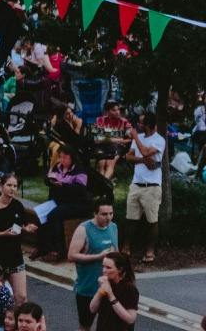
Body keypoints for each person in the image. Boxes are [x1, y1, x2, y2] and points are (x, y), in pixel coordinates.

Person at [0, 174, 36, 301]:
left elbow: (21, 225)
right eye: (9, 185)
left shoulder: (18, 205)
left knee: (21, 297)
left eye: (15, 186)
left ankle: (18, 314)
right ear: (2, 186)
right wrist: (3, 234)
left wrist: (27, 228)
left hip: (15, 257)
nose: (12, 189)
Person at [69, 201, 120, 331]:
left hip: (109, 288)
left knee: (109, 326)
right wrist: (98, 257)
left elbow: (117, 254)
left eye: (111, 213)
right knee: (85, 326)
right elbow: (71, 256)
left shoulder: (113, 227)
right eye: (104, 214)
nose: (108, 217)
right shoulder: (84, 229)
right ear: (95, 214)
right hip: (88, 288)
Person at [123, 114, 164, 266]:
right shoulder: (138, 137)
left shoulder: (159, 140)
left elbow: (147, 152)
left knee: (152, 220)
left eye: (141, 123)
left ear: (148, 125)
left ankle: (150, 250)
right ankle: (126, 248)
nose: (138, 125)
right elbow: (129, 157)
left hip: (152, 186)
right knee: (130, 218)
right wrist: (143, 160)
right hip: (136, 184)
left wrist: (135, 138)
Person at [87, 253, 138, 331]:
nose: (104, 270)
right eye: (103, 266)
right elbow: (92, 309)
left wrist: (111, 295)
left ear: (120, 269)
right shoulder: (107, 283)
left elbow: (130, 319)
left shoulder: (129, 289)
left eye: (108, 268)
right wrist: (100, 291)